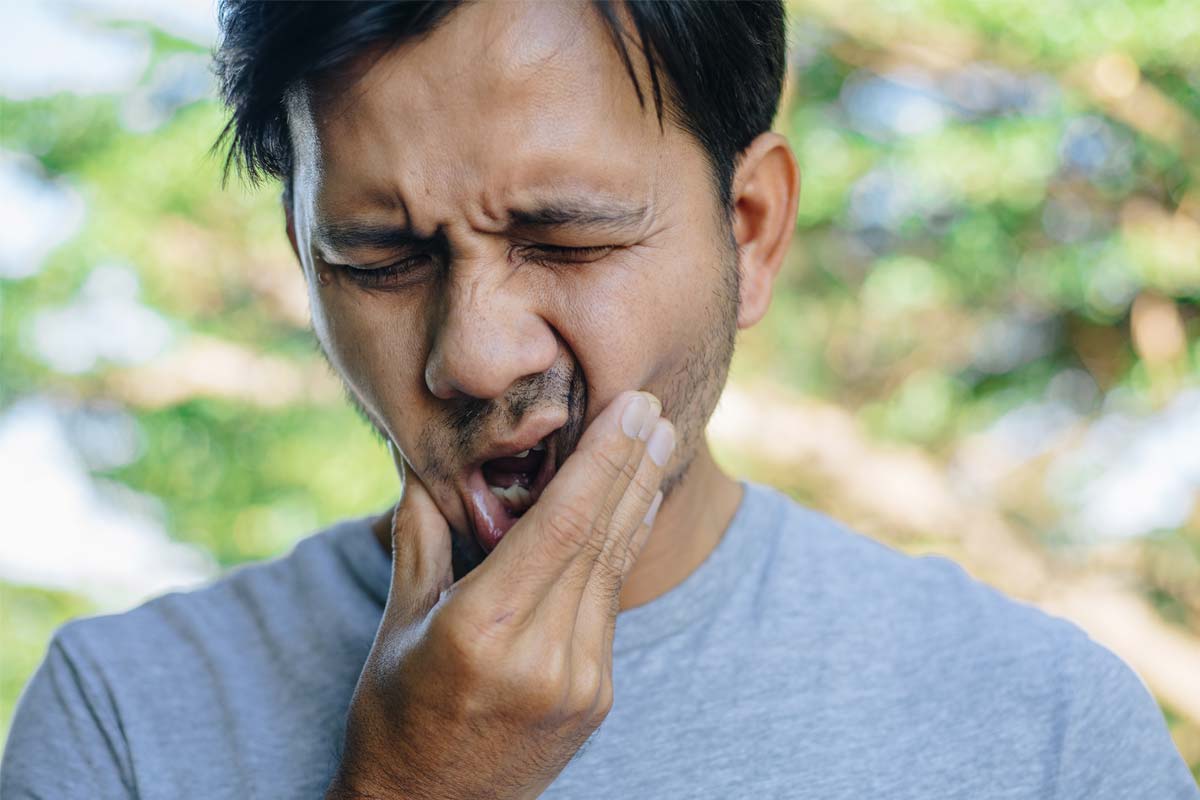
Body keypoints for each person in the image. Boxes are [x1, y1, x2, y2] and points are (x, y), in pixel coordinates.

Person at [3, 2, 1195, 798]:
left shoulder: (1045, 729)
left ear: (754, 232)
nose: (472, 354)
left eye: (563, 235)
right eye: (377, 256)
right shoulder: (121, 722)